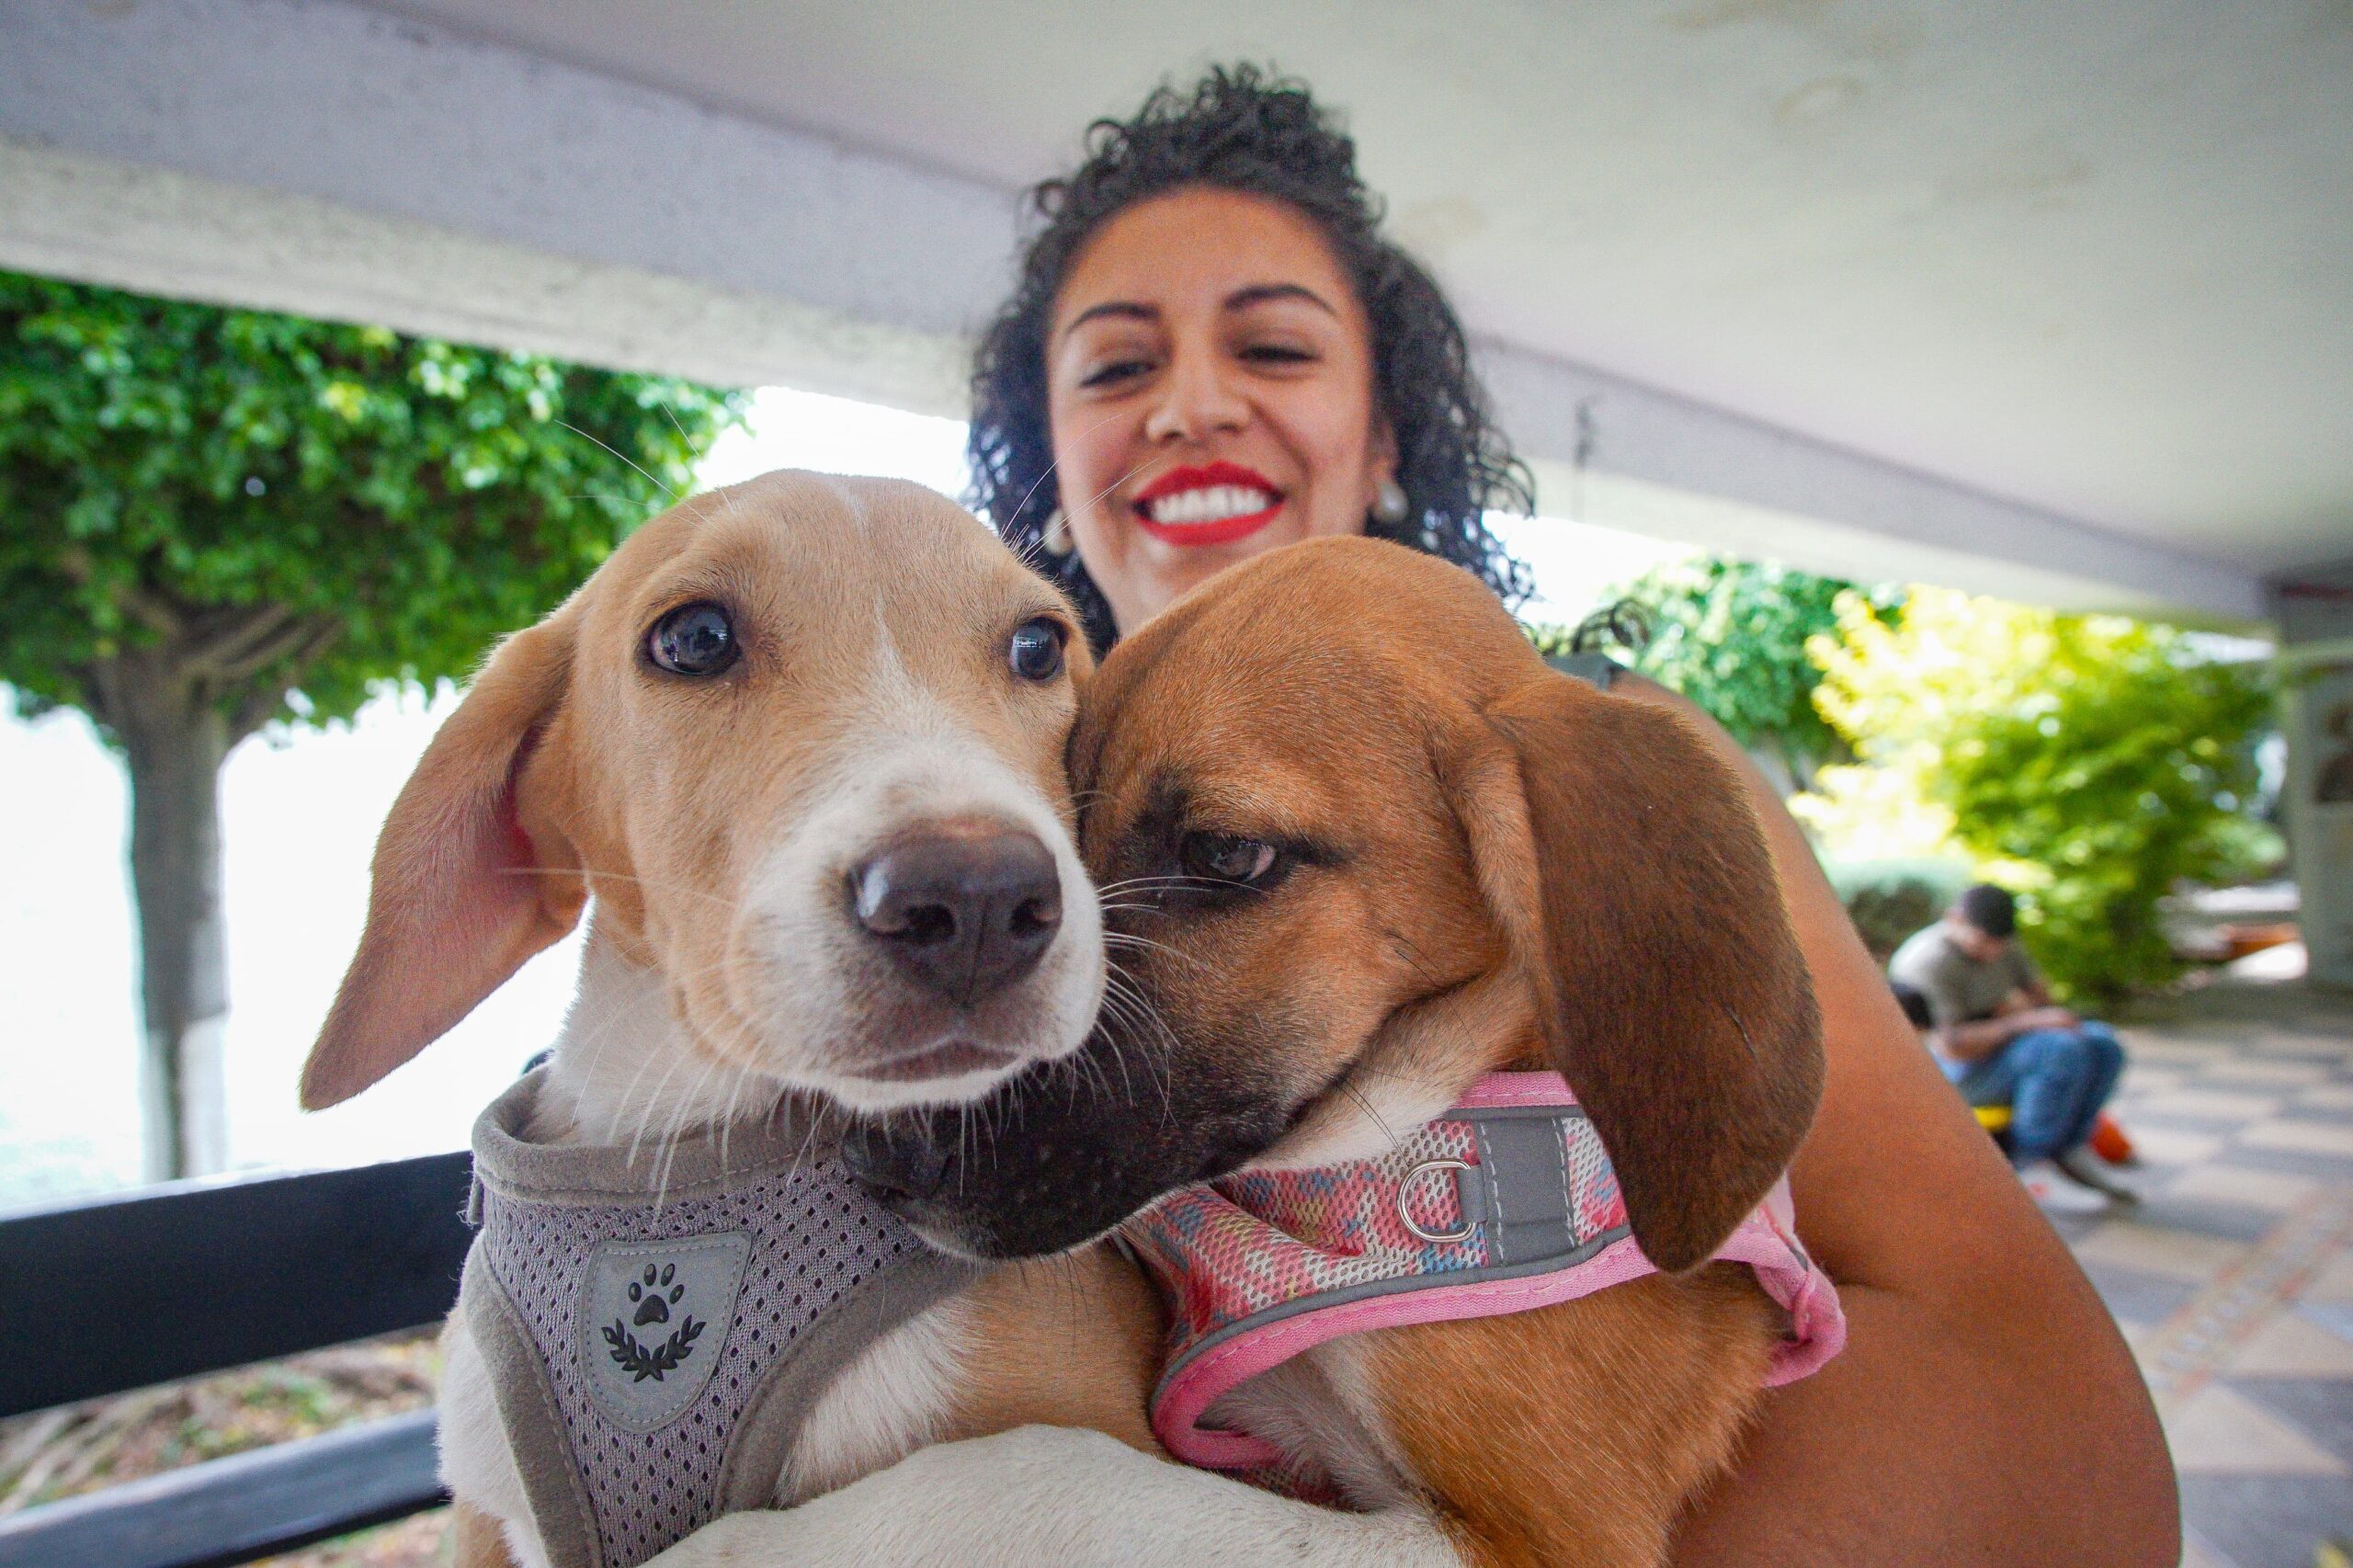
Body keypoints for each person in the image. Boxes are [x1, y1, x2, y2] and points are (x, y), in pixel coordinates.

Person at [964, 64, 2177, 1566]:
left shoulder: (1597, 761)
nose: (1195, 403)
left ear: (1384, 434)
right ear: (1048, 455)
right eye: (1113, 367)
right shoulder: (963, 781)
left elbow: (2053, 1435)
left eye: (1273, 346)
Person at [1891, 884, 2133, 1211]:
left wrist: (2023, 1015)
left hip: (1997, 1048)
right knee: (2056, 1049)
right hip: (1951, 1073)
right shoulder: (1928, 961)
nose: (1993, 952)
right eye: (1984, 941)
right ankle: (2033, 1160)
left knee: (2101, 1042)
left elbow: (2042, 1001)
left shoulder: (2004, 943)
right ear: (1954, 919)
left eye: (2000, 943)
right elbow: (1952, 1047)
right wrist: (2020, 1020)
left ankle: (2071, 1146)